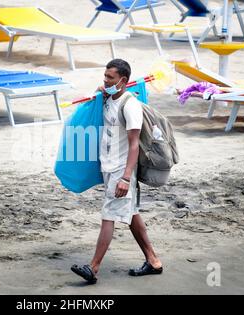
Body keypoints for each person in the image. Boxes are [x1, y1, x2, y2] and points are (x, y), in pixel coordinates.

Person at [71, 59, 163, 284]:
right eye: (104, 76)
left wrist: (125, 177)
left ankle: (93, 268)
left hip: (121, 171)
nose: (105, 81)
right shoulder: (108, 98)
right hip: (108, 167)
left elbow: (134, 144)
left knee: (108, 215)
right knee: (130, 214)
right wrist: (99, 92)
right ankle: (153, 261)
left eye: (109, 78)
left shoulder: (130, 106)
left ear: (123, 80)